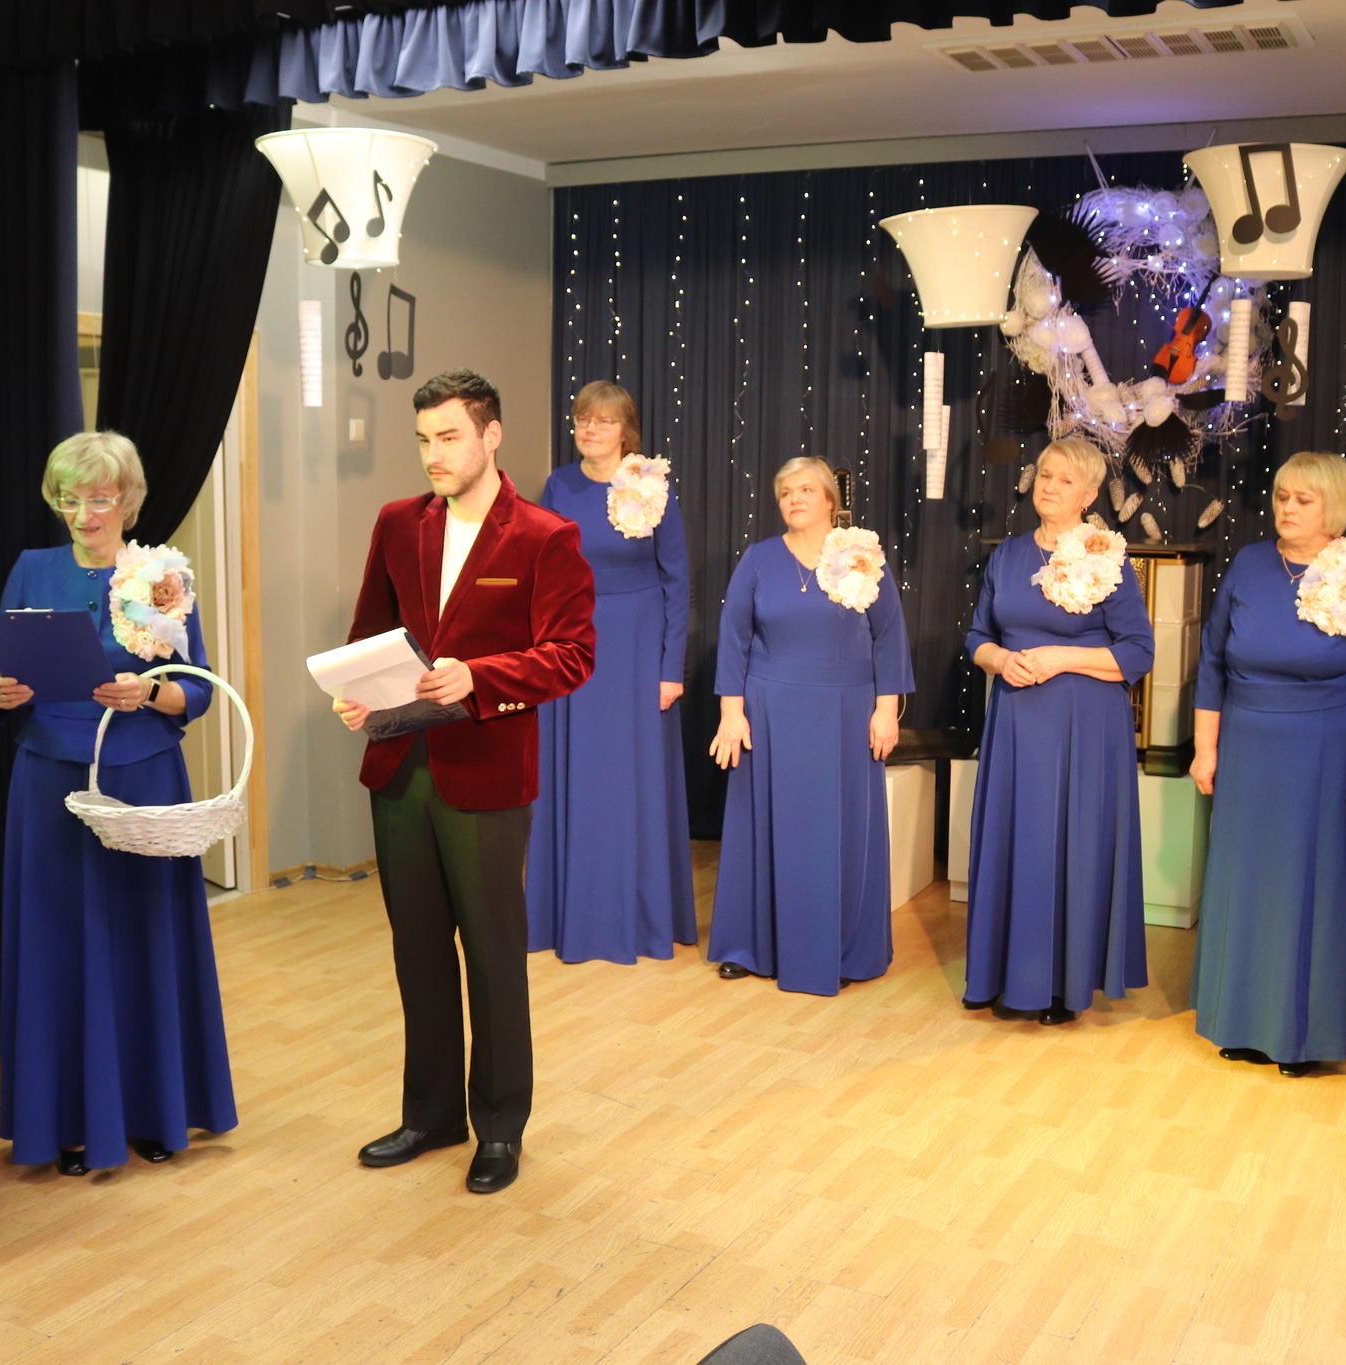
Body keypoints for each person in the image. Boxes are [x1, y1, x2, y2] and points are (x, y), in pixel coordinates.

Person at [336, 369, 596, 1192]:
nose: (433, 455)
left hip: (486, 770)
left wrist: (480, 675)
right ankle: (431, 1114)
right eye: (423, 439)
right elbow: (369, 634)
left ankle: (501, 1127)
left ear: (491, 436)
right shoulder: (397, 523)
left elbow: (572, 656)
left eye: (448, 437)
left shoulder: (544, 535)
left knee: (492, 956)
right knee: (417, 952)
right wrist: (355, 694)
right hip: (399, 764)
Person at [0, 430, 236, 1176]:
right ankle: (65, 1121)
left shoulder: (162, 576)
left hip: (141, 777)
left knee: (143, 941)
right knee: (58, 945)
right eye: (69, 498)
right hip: (50, 782)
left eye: (98, 498)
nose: (83, 514)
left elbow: (197, 687)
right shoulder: (31, 570)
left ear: (127, 499)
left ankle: (156, 1111)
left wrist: (149, 692)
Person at [1188, 451, 1346, 1075]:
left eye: (1303, 500)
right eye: (1282, 496)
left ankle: (1307, 1034)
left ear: (1334, 508)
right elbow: (1212, 661)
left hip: (1328, 752)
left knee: (1312, 890)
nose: (1286, 508)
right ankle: (1242, 1020)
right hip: (1249, 750)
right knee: (1249, 886)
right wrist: (1206, 748)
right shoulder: (1249, 563)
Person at [962, 437, 1156, 1024]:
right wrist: (1000, 659)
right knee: (1015, 845)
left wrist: (1062, 658)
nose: (1049, 486)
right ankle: (1000, 975)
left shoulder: (1107, 559)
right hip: (1017, 724)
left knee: (1066, 849)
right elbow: (977, 638)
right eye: (1045, 475)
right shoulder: (1008, 555)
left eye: (1065, 480)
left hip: (1083, 730)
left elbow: (1139, 652)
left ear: (1090, 495)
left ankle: (1059, 986)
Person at [707, 456, 914, 996]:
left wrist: (886, 709)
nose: (794, 498)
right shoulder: (758, 560)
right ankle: (752, 947)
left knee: (837, 831)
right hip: (770, 712)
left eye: (805, 490)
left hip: (846, 712)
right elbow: (734, 638)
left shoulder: (863, 557)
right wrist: (731, 713)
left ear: (830, 501)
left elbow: (890, 637)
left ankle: (841, 948)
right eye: (785, 492)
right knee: (762, 828)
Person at [526, 381, 695, 964]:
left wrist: (670, 668)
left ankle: (640, 918)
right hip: (573, 642)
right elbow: (541, 570)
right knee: (576, 775)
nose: (589, 429)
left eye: (602, 421)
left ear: (626, 431)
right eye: (581, 419)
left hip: (638, 648)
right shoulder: (558, 486)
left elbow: (677, 583)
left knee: (632, 779)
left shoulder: (652, 487)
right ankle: (571, 914)